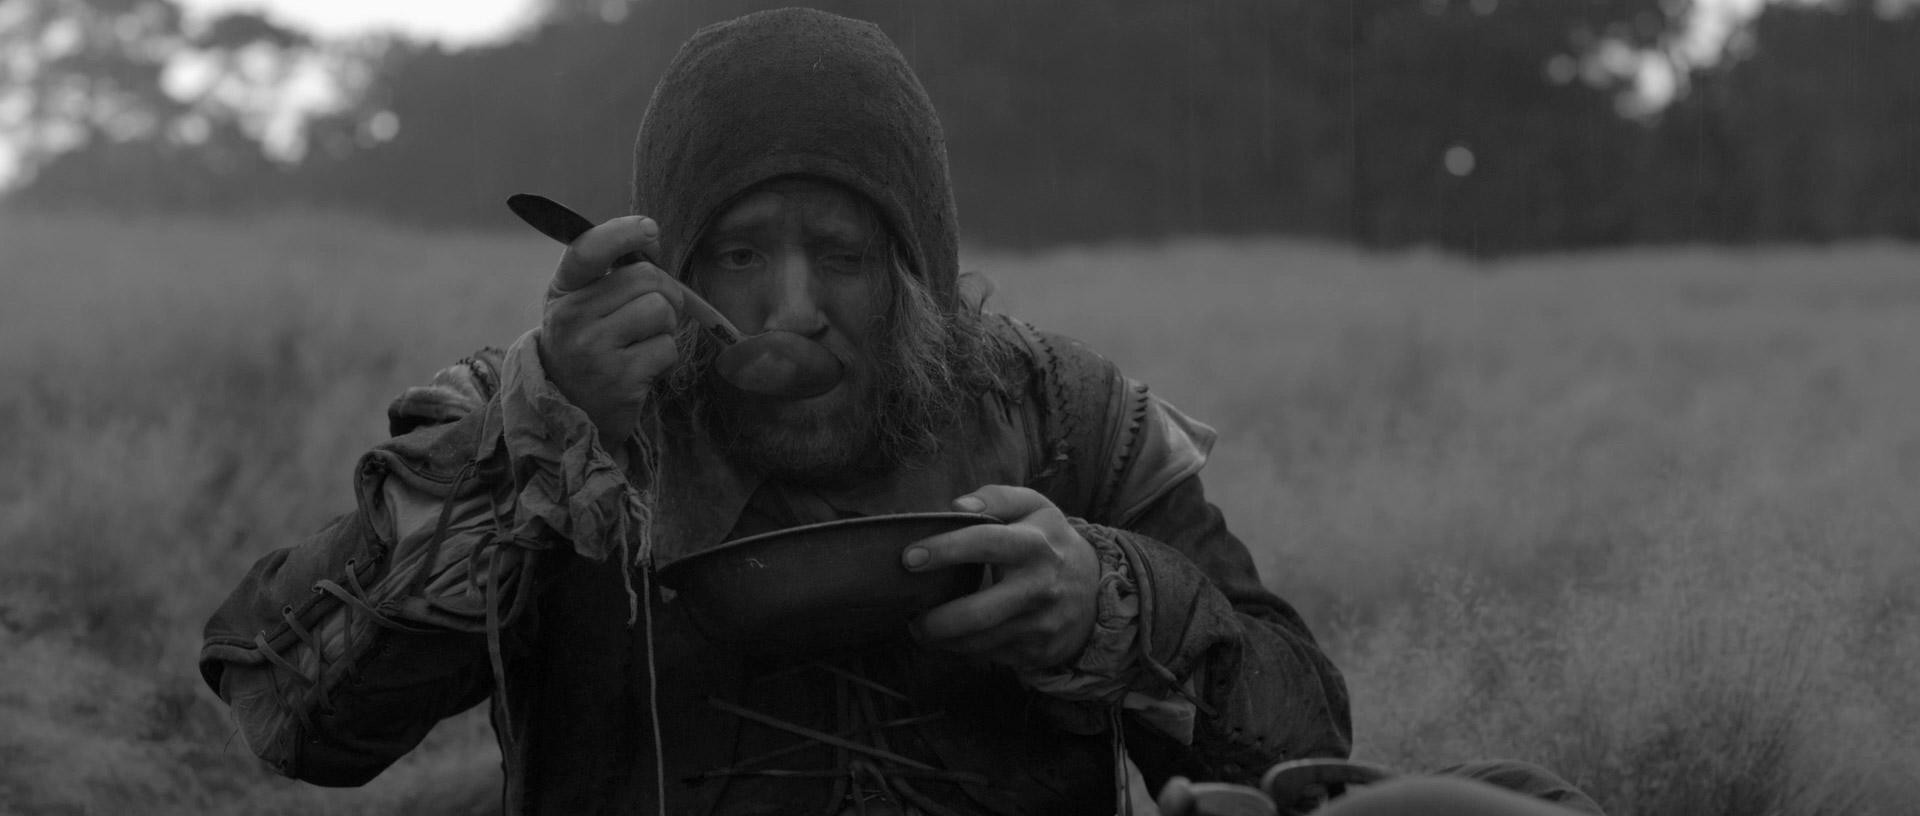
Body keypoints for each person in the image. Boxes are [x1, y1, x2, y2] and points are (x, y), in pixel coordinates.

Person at [199, 8, 1597, 816]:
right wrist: (540, 421)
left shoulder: (1072, 422)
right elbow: (292, 723)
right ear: (668, 264)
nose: (792, 306)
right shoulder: (551, 416)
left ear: (920, 270)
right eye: (740, 255)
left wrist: (1119, 602)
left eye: (848, 256)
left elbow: (1297, 735)